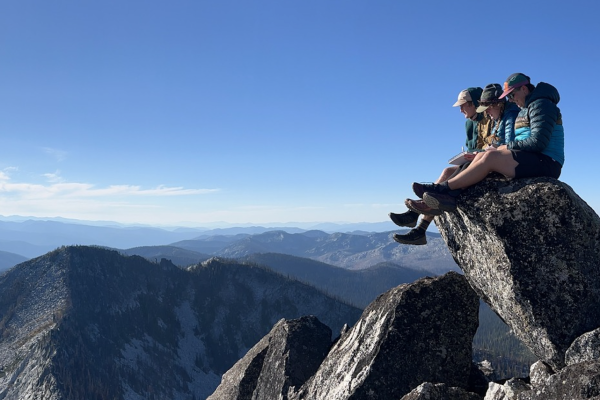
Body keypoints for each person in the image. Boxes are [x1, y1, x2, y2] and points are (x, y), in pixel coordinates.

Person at [414, 73, 564, 214]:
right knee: (485, 155)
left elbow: (538, 143)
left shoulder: (542, 105)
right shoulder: (526, 108)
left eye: (512, 94)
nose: (511, 99)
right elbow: (524, 141)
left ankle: (442, 189)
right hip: (533, 157)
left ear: (524, 89)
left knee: (490, 157)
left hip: (547, 162)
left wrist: (506, 146)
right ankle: (448, 196)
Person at [389, 87, 490, 245]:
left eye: (464, 105)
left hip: (483, 164)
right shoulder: (470, 124)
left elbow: (492, 145)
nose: (461, 110)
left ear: (475, 103)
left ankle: (417, 224)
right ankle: (415, 220)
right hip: (474, 161)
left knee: (448, 178)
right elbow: (474, 147)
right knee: (446, 171)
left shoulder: (488, 118)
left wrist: (476, 154)